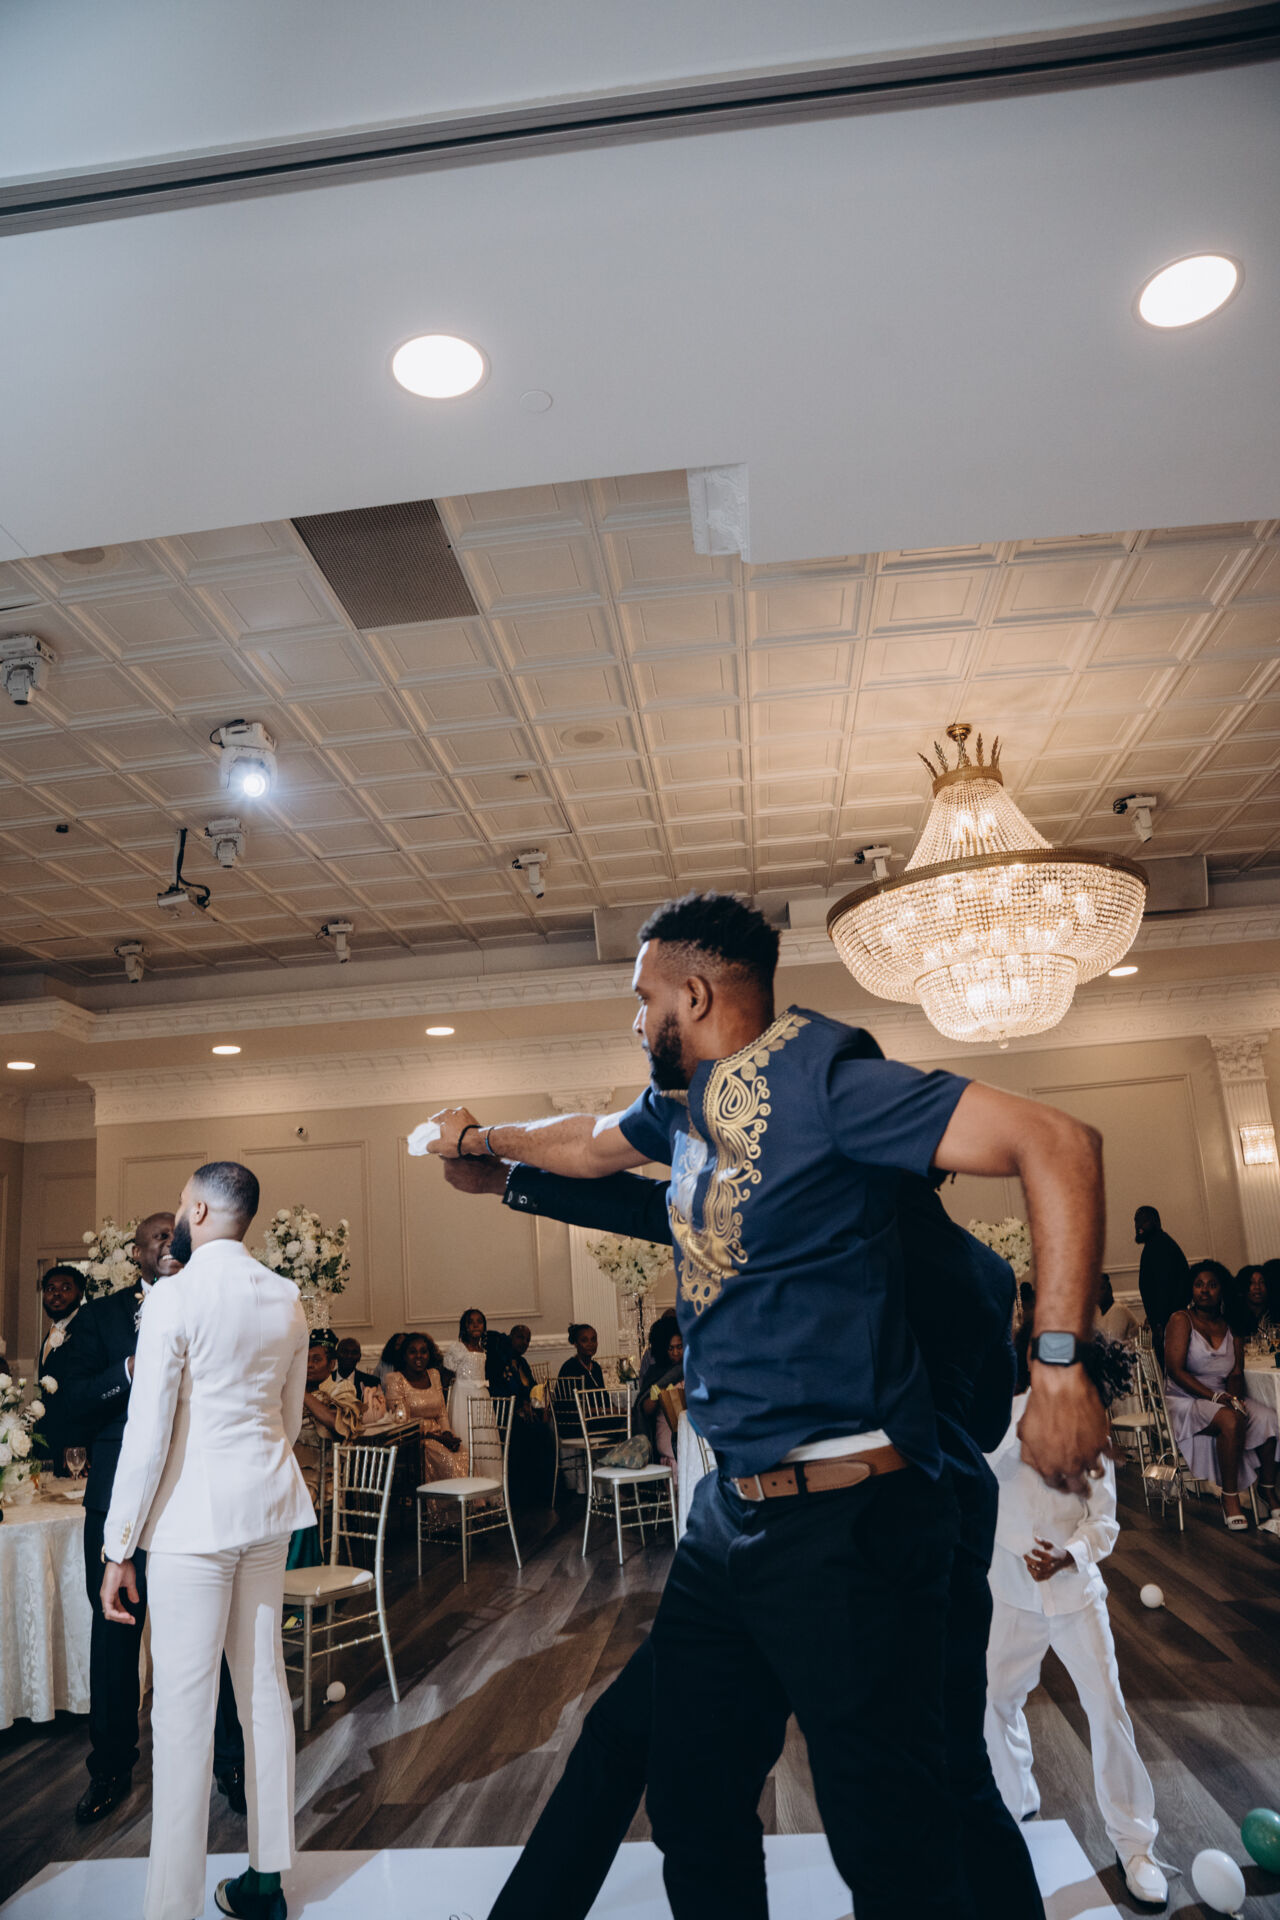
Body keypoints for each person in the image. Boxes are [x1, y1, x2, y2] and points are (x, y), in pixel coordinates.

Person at [424, 889, 1107, 1920]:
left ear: (694, 995)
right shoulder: (687, 1110)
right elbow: (593, 1145)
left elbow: (1055, 1140)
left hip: (851, 1520)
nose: (633, 1018)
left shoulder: (825, 1081)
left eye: (642, 997)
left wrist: (1057, 1371)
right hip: (729, 1523)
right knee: (689, 1796)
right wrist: (487, 1142)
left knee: (900, 1836)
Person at [450, 1150, 1045, 1920]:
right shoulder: (988, 1271)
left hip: (814, 1533)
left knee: (639, 1748)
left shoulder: (810, 1217)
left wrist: (505, 1176)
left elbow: (649, 1206)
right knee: (954, 1777)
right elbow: (990, 1424)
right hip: (908, 1532)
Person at [99, 1162, 313, 1920]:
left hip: (192, 1525)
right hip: (267, 1512)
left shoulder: (174, 1296)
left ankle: (171, 1908)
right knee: (263, 1692)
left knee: (183, 1713)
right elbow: (290, 1419)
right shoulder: (286, 1296)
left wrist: (119, 1546)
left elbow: (148, 1433)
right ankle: (266, 1883)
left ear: (196, 1210)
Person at [60, 1212, 246, 1826]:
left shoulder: (214, 1302)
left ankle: (232, 1764)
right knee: (115, 1638)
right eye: (157, 1236)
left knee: (213, 1633)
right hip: (118, 1500)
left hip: (197, 1494)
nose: (169, 1242)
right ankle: (111, 1768)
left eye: (176, 1233)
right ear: (136, 1253)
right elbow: (69, 1403)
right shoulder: (100, 1318)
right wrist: (128, 1372)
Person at [984, 1355, 1167, 1908]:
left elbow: (1104, 1521)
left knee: (1107, 1708)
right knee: (995, 1700)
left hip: (1075, 1596)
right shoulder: (998, 1420)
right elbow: (975, 1470)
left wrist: (1069, 1555)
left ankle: (1136, 1845)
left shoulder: (1093, 1433)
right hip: (1010, 1593)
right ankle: (1015, 1808)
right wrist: (1020, 1427)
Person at [1164, 1259, 1279, 1528]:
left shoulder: (1231, 1323)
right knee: (1230, 1419)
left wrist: (1235, 1399)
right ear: (1191, 1289)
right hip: (1186, 1398)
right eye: (1199, 1285)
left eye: (1212, 1285)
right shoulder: (1181, 1319)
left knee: (1268, 1417)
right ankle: (1230, 1498)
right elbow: (1175, 1371)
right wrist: (1215, 1398)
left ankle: (1267, 1488)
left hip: (1222, 1396)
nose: (1205, 1290)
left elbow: (1236, 1372)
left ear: (1223, 1290)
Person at [384, 1331, 469, 1477]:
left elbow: (441, 1413)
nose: (419, 1356)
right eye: (412, 1352)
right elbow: (401, 1423)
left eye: (423, 1351)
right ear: (404, 1356)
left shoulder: (434, 1375)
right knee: (450, 1462)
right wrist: (438, 1438)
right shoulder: (395, 1379)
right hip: (414, 1440)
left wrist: (447, 1433)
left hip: (440, 1435)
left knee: (465, 1457)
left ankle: (466, 1493)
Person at [295, 1328, 362, 1508]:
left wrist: (301, 1392)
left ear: (331, 1364)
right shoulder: (292, 1392)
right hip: (290, 1466)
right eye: (305, 1360)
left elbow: (335, 1423)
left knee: (294, 1499)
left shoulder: (341, 1389)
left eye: (316, 1360)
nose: (309, 1365)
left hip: (321, 1473)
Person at [34, 1262, 88, 1477]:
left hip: (74, 1448)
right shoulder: (53, 1332)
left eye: (66, 1288)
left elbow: (84, 1392)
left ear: (80, 1294)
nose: (56, 1294)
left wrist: (76, 1443)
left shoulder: (85, 1330)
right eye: (50, 1288)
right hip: (51, 1443)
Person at [1134, 1206, 1189, 1367]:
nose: (1139, 1226)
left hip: (1168, 1325)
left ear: (1156, 1222)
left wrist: (1160, 1323)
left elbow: (1164, 1288)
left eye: (1144, 1221)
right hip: (1167, 1323)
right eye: (1136, 1221)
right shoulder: (1157, 1243)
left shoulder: (1159, 1245)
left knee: (1171, 1371)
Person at [443, 1307, 490, 1444]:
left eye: (479, 1322)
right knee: (464, 1429)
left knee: (482, 1432)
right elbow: (447, 1373)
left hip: (481, 1394)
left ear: (484, 1326)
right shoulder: (459, 1348)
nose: (476, 1325)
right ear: (465, 1327)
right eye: (471, 1322)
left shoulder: (483, 1350)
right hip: (462, 1395)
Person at [1232, 1264, 1277, 1343]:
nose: (1257, 1287)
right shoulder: (1235, 1316)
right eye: (1252, 1282)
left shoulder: (1275, 1313)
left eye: (1262, 1282)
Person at [559, 1322, 605, 1389]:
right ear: (576, 1344)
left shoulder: (596, 1367)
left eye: (593, 1340)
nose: (590, 1344)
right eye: (584, 1340)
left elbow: (603, 1394)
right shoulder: (569, 1368)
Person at [1095, 1274, 1138, 1344]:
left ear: (1109, 1290)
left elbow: (1112, 1344)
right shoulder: (1097, 1312)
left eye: (1101, 1288)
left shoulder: (1118, 1310)